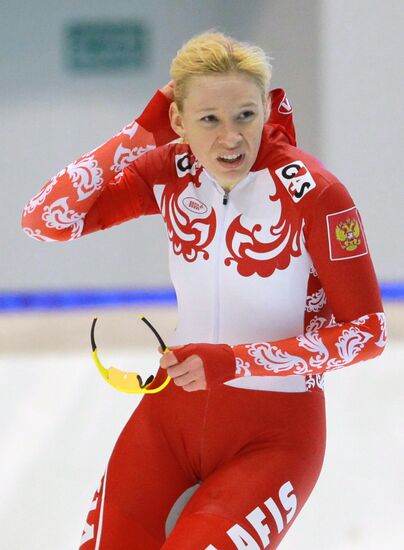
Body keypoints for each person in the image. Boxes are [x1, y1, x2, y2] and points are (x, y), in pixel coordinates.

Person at [22, 31, 386, 549]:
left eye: (244, 115)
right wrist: (138, 135)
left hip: (274, 437)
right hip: (169, 423)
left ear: (265, 106)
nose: (230, 138)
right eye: (209, 120)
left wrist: (233, 362)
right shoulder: (173, 170)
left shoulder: (316, 194)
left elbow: (367, 334)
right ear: (178, 121)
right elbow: (45, 220)